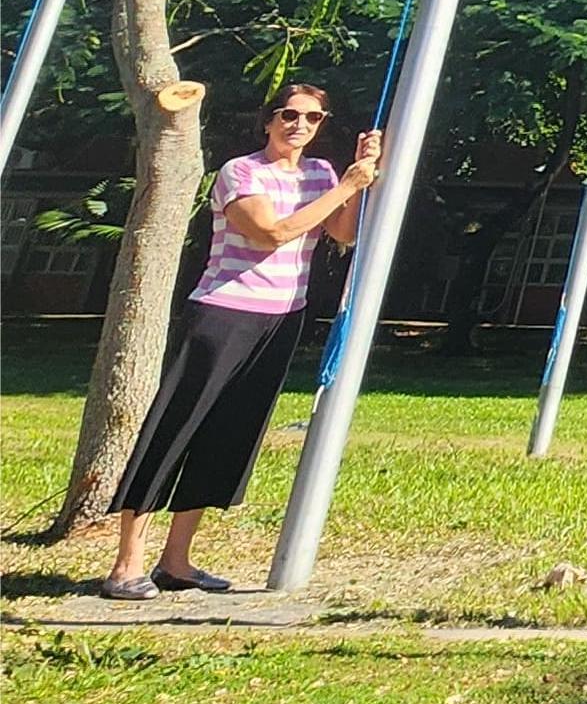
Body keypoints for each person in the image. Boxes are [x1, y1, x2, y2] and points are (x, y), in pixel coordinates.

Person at [98, 83, 381, 599]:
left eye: (313, 118)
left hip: (280, 319)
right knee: (175, 429)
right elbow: (269, 233)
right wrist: (345, 188)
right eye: (289, 115)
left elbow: (342, 236)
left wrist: (355, 181)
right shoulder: (241, 172)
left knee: (226, 436)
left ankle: (177, 561)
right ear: (268, 122)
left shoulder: (319, 174)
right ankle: (126, 564)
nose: (300, 125)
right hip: (223, 315)